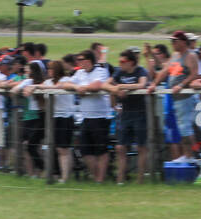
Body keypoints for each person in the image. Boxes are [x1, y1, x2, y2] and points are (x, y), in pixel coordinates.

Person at [150, 31, 201, 162]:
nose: (172, 43)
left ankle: (190, 156)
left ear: (183, 42)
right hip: (175, 98)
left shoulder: (190, 56)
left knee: (185, 128)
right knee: (181, 127)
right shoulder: (174, 56)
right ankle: (187, 156)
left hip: (185, 98)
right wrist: (154, 84)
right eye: (172, 41)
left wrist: (182, 85)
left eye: (175, 41)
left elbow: (194, 74)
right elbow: (164, 71)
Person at [107, 49, 150, 184]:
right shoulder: (119, 72)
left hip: (140, 113)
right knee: (121, 147)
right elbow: (105, 84)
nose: (120, 64)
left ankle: (140, 180)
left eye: (122, 61)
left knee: (141, 147)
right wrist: (116, 91)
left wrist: (122, 86)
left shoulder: (140, 71)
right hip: (124, 114)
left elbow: (142, 84)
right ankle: (120, 180)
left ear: (131, 62)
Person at [69, 49, 112, 182]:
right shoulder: (79, 72)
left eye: (81, 59)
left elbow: (98, 84)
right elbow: (66, 83)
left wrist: (84, 88)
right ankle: (96, 176)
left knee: (101, 149)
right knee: (85, 150)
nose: (78, 62)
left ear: (88, 60)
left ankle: (100, 179)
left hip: (100, 117)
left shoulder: (100, 70)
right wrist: (77, 88)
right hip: (85, 117)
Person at [42, 59, 76, 183]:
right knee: (55, 148)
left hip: (65, 117)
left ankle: (65, 177)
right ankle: (58, 174)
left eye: (50, 69)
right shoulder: (47, 82)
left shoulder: (65, 81)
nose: (48, 71)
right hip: (53, 118)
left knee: (64, 149)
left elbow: (56, 88)